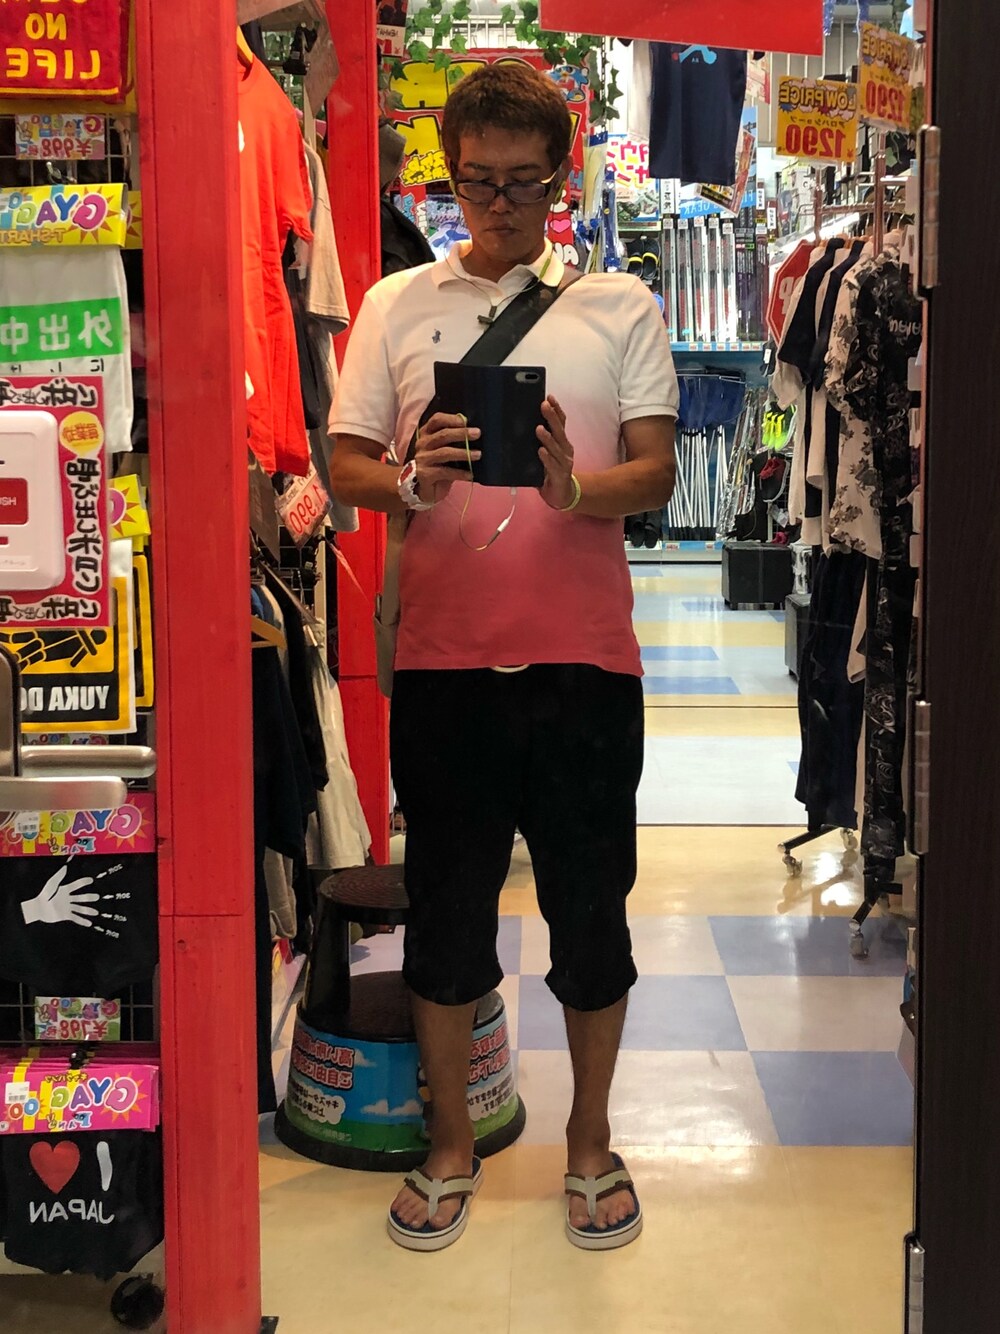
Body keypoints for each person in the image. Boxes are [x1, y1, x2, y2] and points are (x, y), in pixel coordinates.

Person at [329, 61, 678, 1253]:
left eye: (525, 183)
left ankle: (590, 1140)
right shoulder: (394, 303)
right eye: (479, 181)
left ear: (561, 180)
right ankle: (448, 1142)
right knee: (446, 912)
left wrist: (574, 487)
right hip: (444, 663)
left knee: (591, 909)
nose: (500, 206)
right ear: (449, 174)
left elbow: (655, 470)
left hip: (585, 664)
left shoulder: (618, 306)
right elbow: (344, 462)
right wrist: (410, 480)